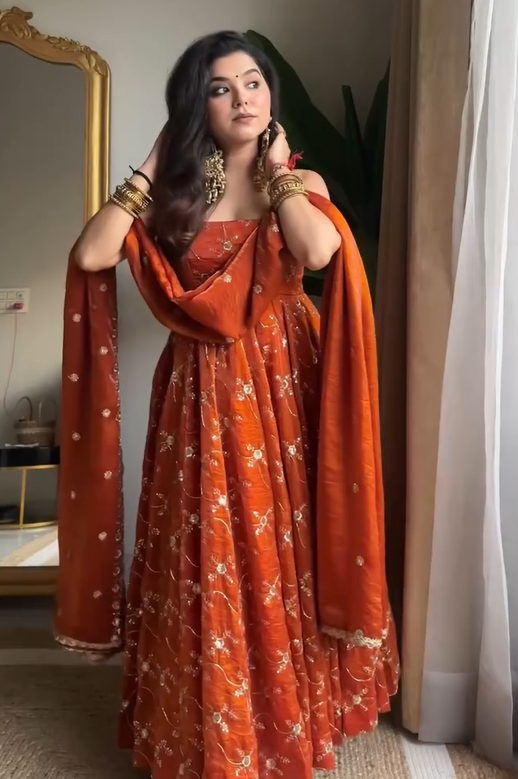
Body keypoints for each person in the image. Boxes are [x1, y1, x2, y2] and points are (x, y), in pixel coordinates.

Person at [54, 31, 399, 779]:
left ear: (270, 96)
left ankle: (282, 721)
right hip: (196, 393)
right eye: (220, 88)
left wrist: (276, 174)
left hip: (283, 386)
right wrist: (152, 164)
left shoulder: (300, 183)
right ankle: (209, 727)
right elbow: (91, 254)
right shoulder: (178, 192)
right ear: (196, 106)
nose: (242, 98)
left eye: (253, 83)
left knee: (280, 542)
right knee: (202, 543)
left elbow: (316, 254)